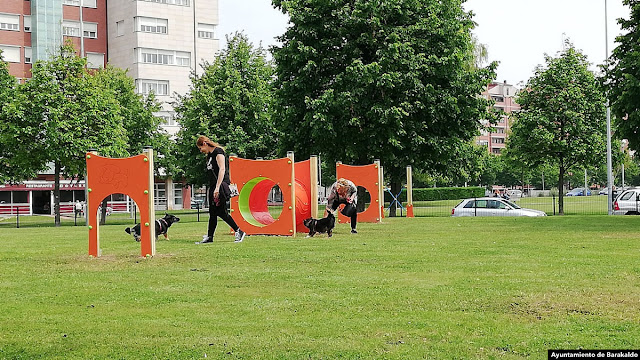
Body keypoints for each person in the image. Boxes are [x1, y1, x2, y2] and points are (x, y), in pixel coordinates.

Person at [194, 135, 246, 244]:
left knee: (221, 212)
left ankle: (238, 230)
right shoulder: (209, 156)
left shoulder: (218, 152)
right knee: (213, 212)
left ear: (204, 143)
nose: (201, 151)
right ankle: (210, 237)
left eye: (200, 148)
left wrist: (217, 187)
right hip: (213, 186)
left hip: (220, 185)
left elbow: (222, 169)